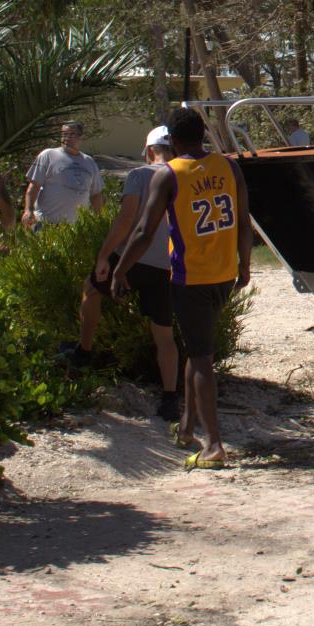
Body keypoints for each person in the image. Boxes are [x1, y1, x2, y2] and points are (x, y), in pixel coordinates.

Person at [114, 107, 251, 469]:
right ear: (203, 133)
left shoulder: (169, 174)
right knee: (196, 347)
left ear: (172, 140)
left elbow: (144, 231)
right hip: (223, 273)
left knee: (202, 356)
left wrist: (120, 270)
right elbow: (243, 221)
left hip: (191, 276)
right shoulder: (229, 167)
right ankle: (188, 427)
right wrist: (245, 266)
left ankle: (214, 445)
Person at [58, 129, 182, 421]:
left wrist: (104, 256)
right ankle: (170, 398)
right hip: (169, 264)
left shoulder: (140, 175)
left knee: (90, 288)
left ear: (149, 150)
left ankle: (84, 350)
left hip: (132, 256)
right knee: (164, 333)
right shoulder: (184, 175)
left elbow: (127, 219)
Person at [22, 120, 105, 228]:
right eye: (64, 134)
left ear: (81, 138)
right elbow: (34, 186)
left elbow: (96, 195)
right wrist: (28, 210)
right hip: (46, 224)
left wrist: (98, 220)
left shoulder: (89, 162)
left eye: (71, 134)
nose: (66, 138)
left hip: (75, 228)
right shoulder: (48, 155)